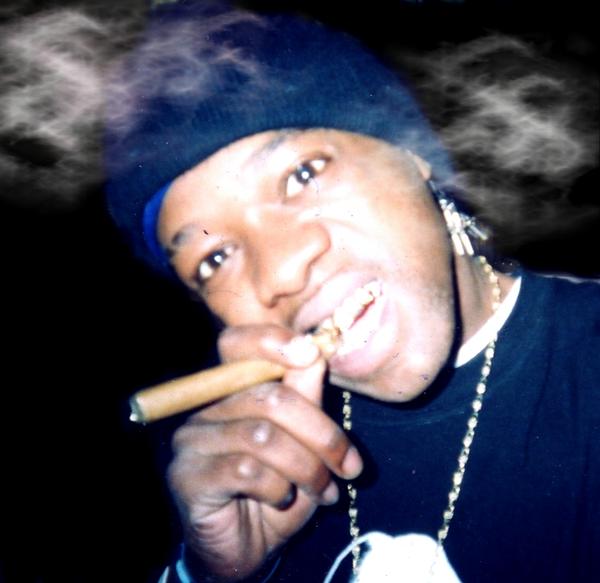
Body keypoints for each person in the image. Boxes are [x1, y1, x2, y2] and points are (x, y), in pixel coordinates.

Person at [104, 1, 599, 581]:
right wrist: (210, 574)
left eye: (303, 175)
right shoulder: (242, 463)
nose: (281, 274)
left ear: (413, 154)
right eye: (214, 259)